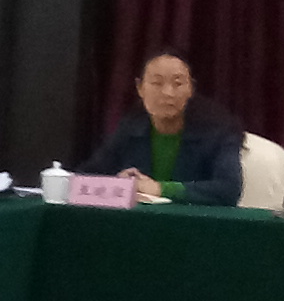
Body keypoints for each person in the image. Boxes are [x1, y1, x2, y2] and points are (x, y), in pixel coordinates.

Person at [87, 48, 244, 203]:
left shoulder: (219, 132)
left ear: (191, 88)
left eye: (178, 83)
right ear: (140, 88)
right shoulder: (131, 129)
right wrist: (118, 183)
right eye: (157, 83)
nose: (168, 92)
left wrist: (160, 188)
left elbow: (229, 189)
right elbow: (88, 176)